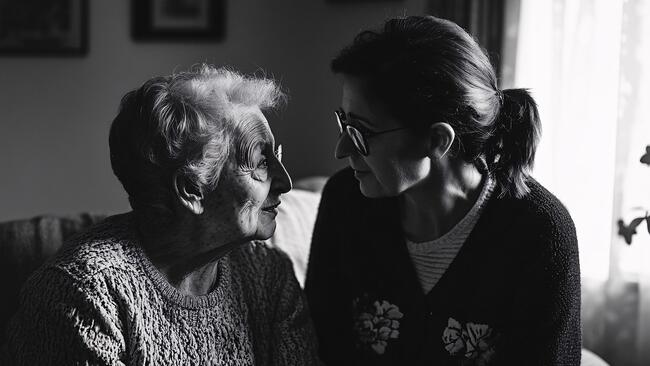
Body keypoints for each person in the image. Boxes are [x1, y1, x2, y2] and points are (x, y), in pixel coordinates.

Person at [305, 15, 581, 365]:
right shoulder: (344, 201)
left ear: (437, 140)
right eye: (344, 121)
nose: (341, 150)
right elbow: (319, 348)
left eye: (361, 131)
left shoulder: (539, 232)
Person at [3, 65, 319, 365]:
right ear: (191, 190)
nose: (286, 182)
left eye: (276, 156)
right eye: (261, 162)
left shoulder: (269, 274)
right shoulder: (84, 295)